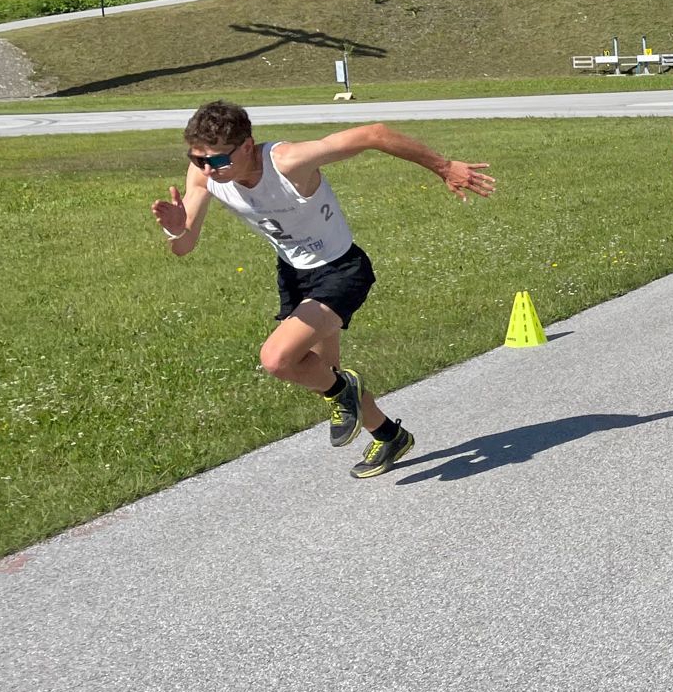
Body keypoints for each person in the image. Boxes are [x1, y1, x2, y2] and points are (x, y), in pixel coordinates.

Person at [148, 99, 493, 479]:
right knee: (320, 372)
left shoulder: (288, 162)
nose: (207, 169)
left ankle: (343, 391)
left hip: (341, 270)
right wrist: (175, 229)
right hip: (294, 273)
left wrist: (444, 167)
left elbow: (374, 134)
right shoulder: (204, 175)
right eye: (197, 159)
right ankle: (388, 434)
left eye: (216, 160)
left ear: (246, 146)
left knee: (278, 360)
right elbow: (184, 246)